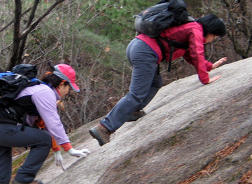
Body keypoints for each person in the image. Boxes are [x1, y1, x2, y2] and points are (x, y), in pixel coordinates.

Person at [89, 14, 228, 146]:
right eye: (215, 36)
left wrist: (209, 66)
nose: (212, 39)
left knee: (156, 83)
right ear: (210, 31)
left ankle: (133, 110)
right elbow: (197, 54)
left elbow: (190, 55)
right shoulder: (195, 30)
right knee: (137, 94)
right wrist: (205, 79)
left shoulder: (190, 27)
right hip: (145, 52)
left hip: (139, 46)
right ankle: (104, 128)